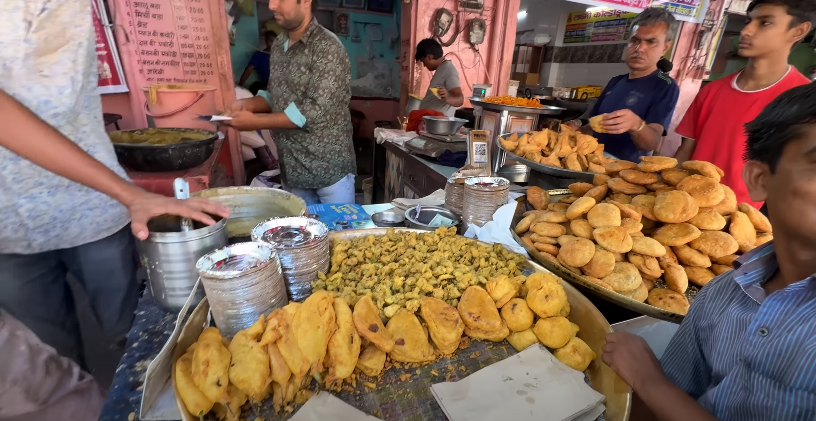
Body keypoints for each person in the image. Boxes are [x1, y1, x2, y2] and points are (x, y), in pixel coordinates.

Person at [0, 0, 229, 369]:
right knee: (52, 365)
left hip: (96, 212)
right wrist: (130, 193)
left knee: (136, 337)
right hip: (11, 221)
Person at [601, 82, 816, 421]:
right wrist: (651, 388)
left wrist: (648, 380)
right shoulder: (723, 292)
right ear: (760, 178)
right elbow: (666, 400)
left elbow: (659, 390)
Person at [673, 0, 813, 210]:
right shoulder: (712, 91)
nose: (746, 30)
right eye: (748, 21)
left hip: (747, 221)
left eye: (765, 23)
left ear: (798, 31)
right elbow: (685, 152)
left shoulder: (804, 102)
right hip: (688, 209)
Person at [223, 0, 356, 205]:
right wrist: (248, 105)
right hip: (293, 167)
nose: (273, 6)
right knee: (302, 234)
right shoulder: (278, 45)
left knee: (338, 233)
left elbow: (315, 110)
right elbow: (275, 95)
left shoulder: (327, 47)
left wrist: (256, 122)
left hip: (328, 169)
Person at [584, 8, 680, 162]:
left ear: (665, 47)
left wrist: (637, 125)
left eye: (651, 42)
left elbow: (652, 143)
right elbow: (594, 125)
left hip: (625, 175)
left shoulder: (665, 86)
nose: (639, 48)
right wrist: (576, 129)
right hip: (592, 163)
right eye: (635, 40)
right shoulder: (616, 81)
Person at [416, 38, 465, 116]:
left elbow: (460, 99)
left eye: (424, 61)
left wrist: (448, 98)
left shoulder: (448, 69)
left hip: (439, 125)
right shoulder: (441, 68)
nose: (424, 65)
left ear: (429, 57)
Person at [237, 30, 278, 95]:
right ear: (266, 41)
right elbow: (248, 70)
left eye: (275, 41)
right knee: (255, 86)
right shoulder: (259, 55)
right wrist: (239, 86)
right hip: (267, 85)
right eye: (270, 41)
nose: (273, 44)